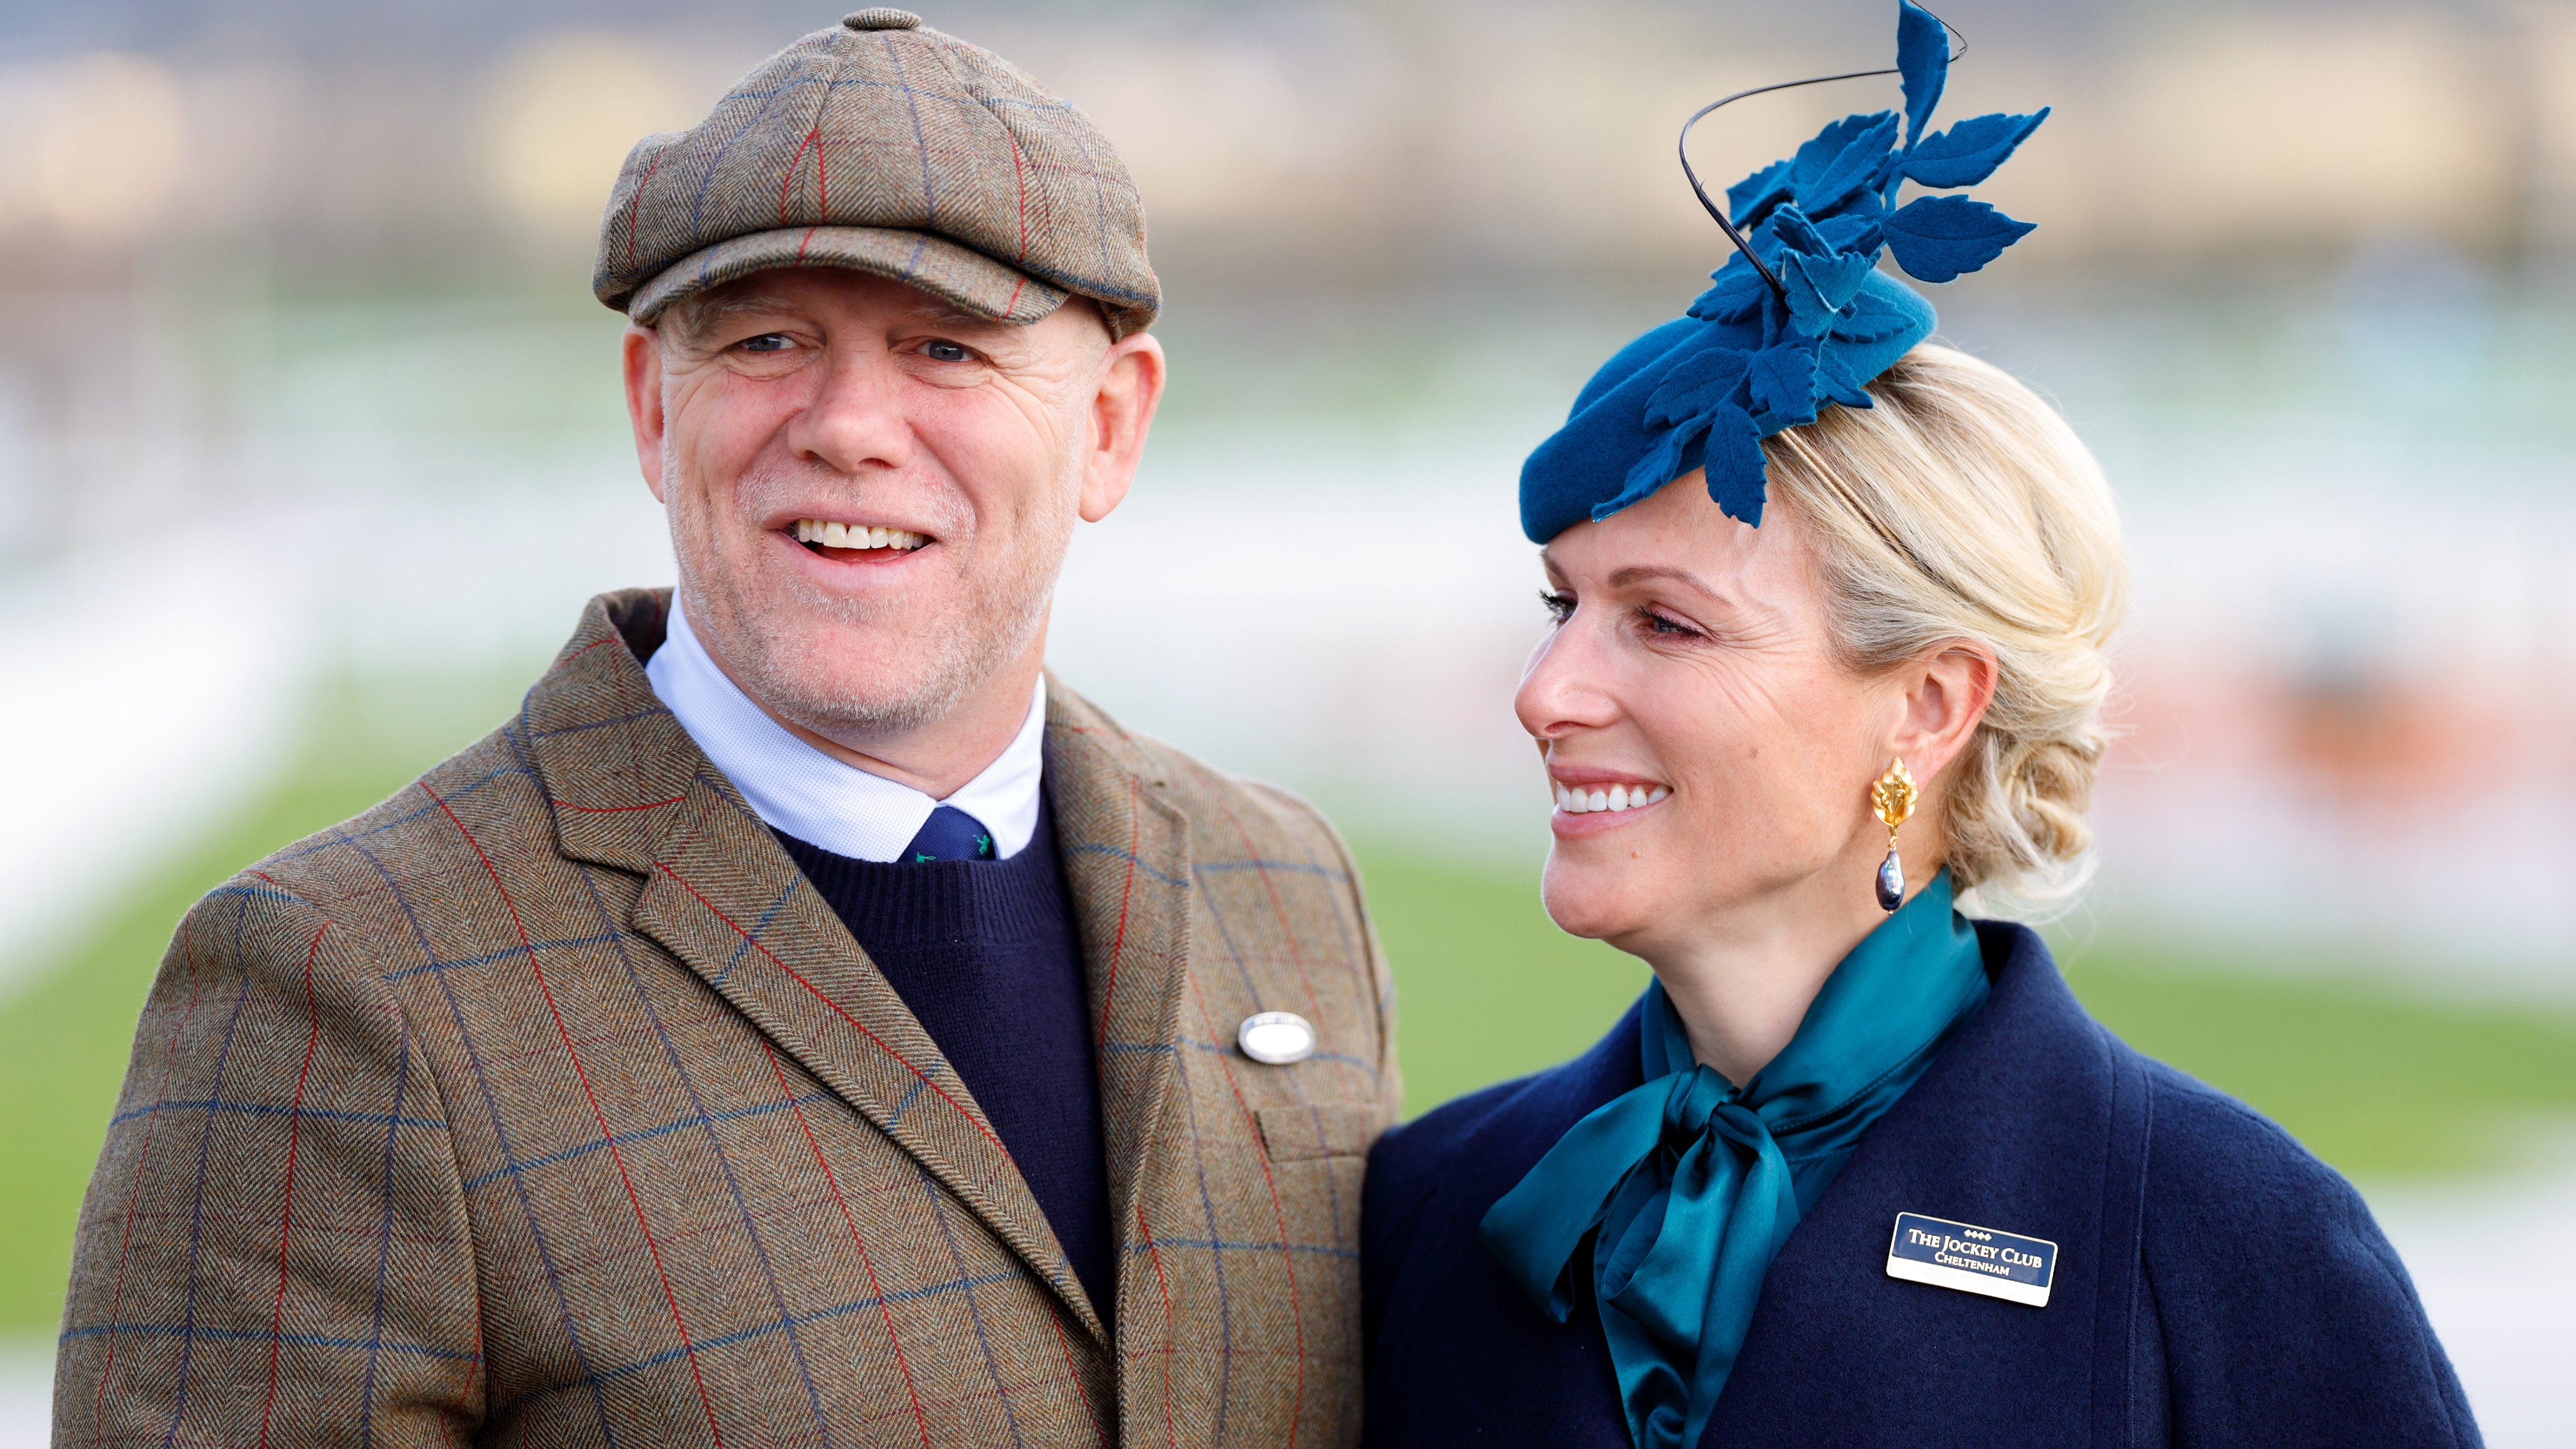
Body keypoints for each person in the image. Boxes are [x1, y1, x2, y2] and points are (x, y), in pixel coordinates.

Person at [57, 11, 1396, 1446]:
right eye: (767, 340)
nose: (848, 425)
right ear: (652, 407)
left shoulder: (1284, 886)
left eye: (948, 350)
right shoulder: (341, 985)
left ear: (1113, 428)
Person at [1362, 7, 2478, 1447]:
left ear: (1929, 705)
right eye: (1559, 605)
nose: (1545, 692)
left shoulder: (2226, 1250)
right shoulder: (1434, 1209)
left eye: (1665, 621)